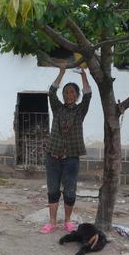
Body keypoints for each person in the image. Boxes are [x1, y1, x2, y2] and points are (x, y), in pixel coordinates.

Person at [40, 66, 92, 234]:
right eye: (66, 92)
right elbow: (51, 92)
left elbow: (88, 94)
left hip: (71, 159)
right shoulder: (57, 108)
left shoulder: (80, 111)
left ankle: (68, 221)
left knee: (69, 192)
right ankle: (52, 222)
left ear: (76, 96)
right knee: (53, 191)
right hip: (52, 157)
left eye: (72, 92)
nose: (68, 95)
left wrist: (84, 75)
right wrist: (61, 73)